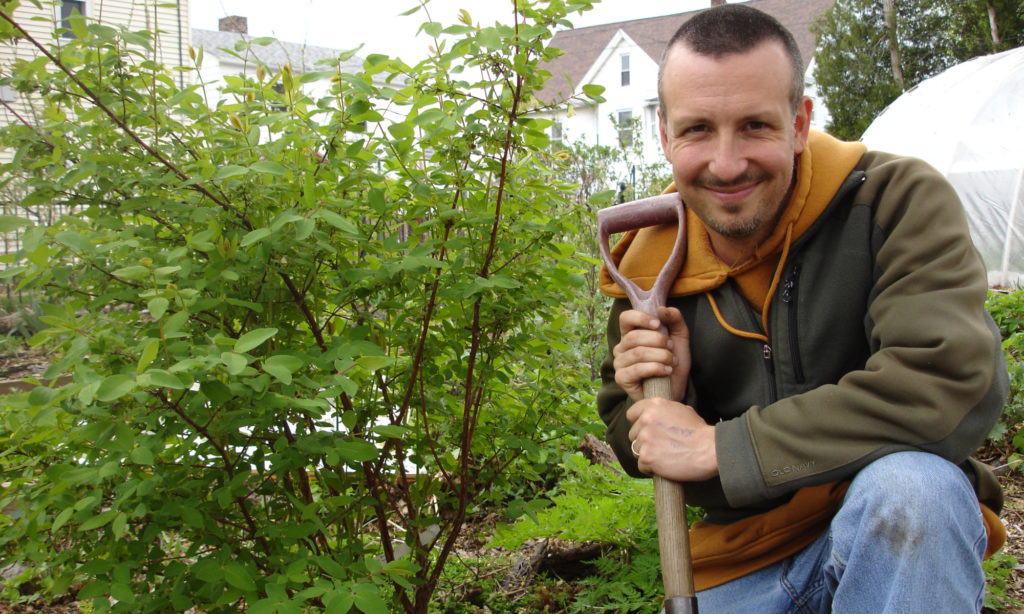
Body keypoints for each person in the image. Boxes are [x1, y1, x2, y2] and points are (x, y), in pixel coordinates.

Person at [597, 4, 1009, 613]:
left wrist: (725, 448)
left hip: (886, 526)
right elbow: (636, 442)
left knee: (915, 490)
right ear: (664, 134)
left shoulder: (895, 202)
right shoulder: (653, 254)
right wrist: (663, 400)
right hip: (737, 561)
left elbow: (943, 381)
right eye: (697, 129)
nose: (727, 163)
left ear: (799, 122)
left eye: (755, 126)